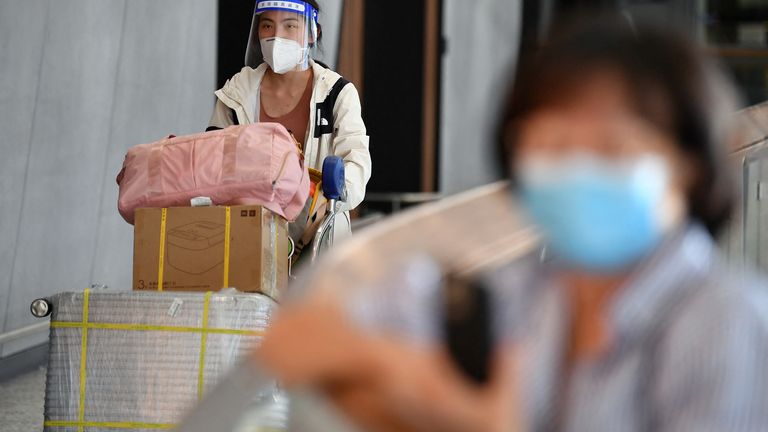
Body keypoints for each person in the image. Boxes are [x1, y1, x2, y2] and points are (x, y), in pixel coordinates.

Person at [251, 17, 768, 431]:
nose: (576, 172)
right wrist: (423, 383)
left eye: (612, 147)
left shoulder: (726, 321)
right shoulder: (522, 292)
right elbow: (300, 338)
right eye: (551, 146)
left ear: (690, 163)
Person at [208, 0, 371, 249]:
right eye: (267, 26)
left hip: (319, 241)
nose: (276, 36)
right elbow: (210, 163)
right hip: (246, 241)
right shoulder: (236, 94)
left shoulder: (337, 93)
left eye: (290, 26)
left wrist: (329, 194)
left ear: (312, 33)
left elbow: (356, 163)